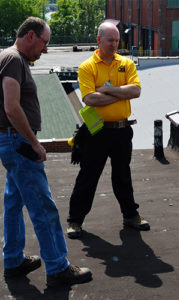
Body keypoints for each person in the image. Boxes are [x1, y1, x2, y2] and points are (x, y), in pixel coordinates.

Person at [0, 17, 92, 286]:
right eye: (45, 43)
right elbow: (11, 107)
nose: (46, 49)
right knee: (44, 207)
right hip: (19, 144)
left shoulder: (8, 57)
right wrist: (33, 142)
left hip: (11, 143)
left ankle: (13, 260)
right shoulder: (14, 60)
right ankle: (57, 267)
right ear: (30, 36)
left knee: (14, 204)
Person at [67, 21, 150, 239]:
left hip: (122, 130)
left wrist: (107, 89)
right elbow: (89, 99)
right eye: (110, 40)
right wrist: (119, 92)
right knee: (88, 175)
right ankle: (75, 220)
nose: (115, 44)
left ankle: (130, 215)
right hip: (98, 131)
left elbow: (136, 90)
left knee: (123, 175)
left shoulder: (126, 64)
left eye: (117, 40)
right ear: (99, 40)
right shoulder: (87, 67)